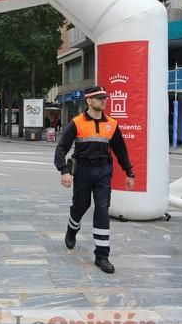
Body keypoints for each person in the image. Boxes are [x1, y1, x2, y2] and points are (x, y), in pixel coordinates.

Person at [54, 85, 135, 274]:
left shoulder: (112, 124)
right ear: (89, 101)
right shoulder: (77, 122)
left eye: (105, 98)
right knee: (80, 206)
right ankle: (71, 229)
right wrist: (64, 171)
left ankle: (102, 255)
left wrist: (129, 172)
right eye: (99, 98)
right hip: (82, 171)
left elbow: (120, 151)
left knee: (102, 209)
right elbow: (61, 148)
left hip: (103, 171)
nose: (104, 101)